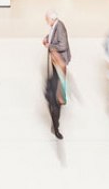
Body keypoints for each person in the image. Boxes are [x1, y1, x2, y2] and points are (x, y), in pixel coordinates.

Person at [42, 10, 70, 140]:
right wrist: (48, 38)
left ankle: (56, 125)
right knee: (54, 80)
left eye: (47, 20)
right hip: (56, 61)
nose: (46, 22)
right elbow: (53, 36)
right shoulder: (55, 26)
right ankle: (53, 98)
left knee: (58, 85)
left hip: (60, 61)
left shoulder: (60, 27)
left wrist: (50, 45)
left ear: (52, 19)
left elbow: (62, 45)